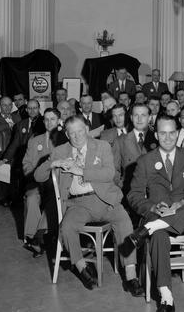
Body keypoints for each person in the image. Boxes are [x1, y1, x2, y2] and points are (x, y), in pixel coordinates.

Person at [34, 115, 143, 294]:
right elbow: (38, 176)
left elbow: (109, 174)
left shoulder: (102, 146)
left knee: (125, 222)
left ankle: (131, 277)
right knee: (67, 227)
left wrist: (81, 171)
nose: (77, 136)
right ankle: (82, 268)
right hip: (78, 204)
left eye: (80, 131)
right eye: (72, 133)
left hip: (106, 200)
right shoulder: (60, 151)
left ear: (86, 129)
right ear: (67, 135)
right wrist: (55, 163)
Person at [125, 114, 184, 312]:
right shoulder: (145, 161)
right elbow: (134, 195)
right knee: (159, 236)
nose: (168, 137)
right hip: (158, 214)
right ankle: (166, 299)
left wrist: (179, 206)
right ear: (155, 133)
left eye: (172, 132)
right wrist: (152, 207)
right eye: (162, 133)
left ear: (178, 132)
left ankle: (151, 228)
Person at [21, 108, 60, 258]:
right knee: (31, 198)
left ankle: (39, 235)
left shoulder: (65, 140)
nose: (50, 122)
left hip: (56, 183)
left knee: (53, 199)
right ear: (43, 122)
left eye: (53, 119)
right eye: (47, 119)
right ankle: (31, 236)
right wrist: (35, 176)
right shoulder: (34, 141)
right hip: (36, 181)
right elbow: (26, 164)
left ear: (59, 121)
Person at [112, 103, 157, 193]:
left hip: (153, 192)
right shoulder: (120, 141)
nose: (139, 119)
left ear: (149, 118)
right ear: (131, 118)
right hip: (129, 191)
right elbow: (114, 169)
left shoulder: (158, 138)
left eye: (143, 115)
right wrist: (122, 185)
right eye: (136, 115)